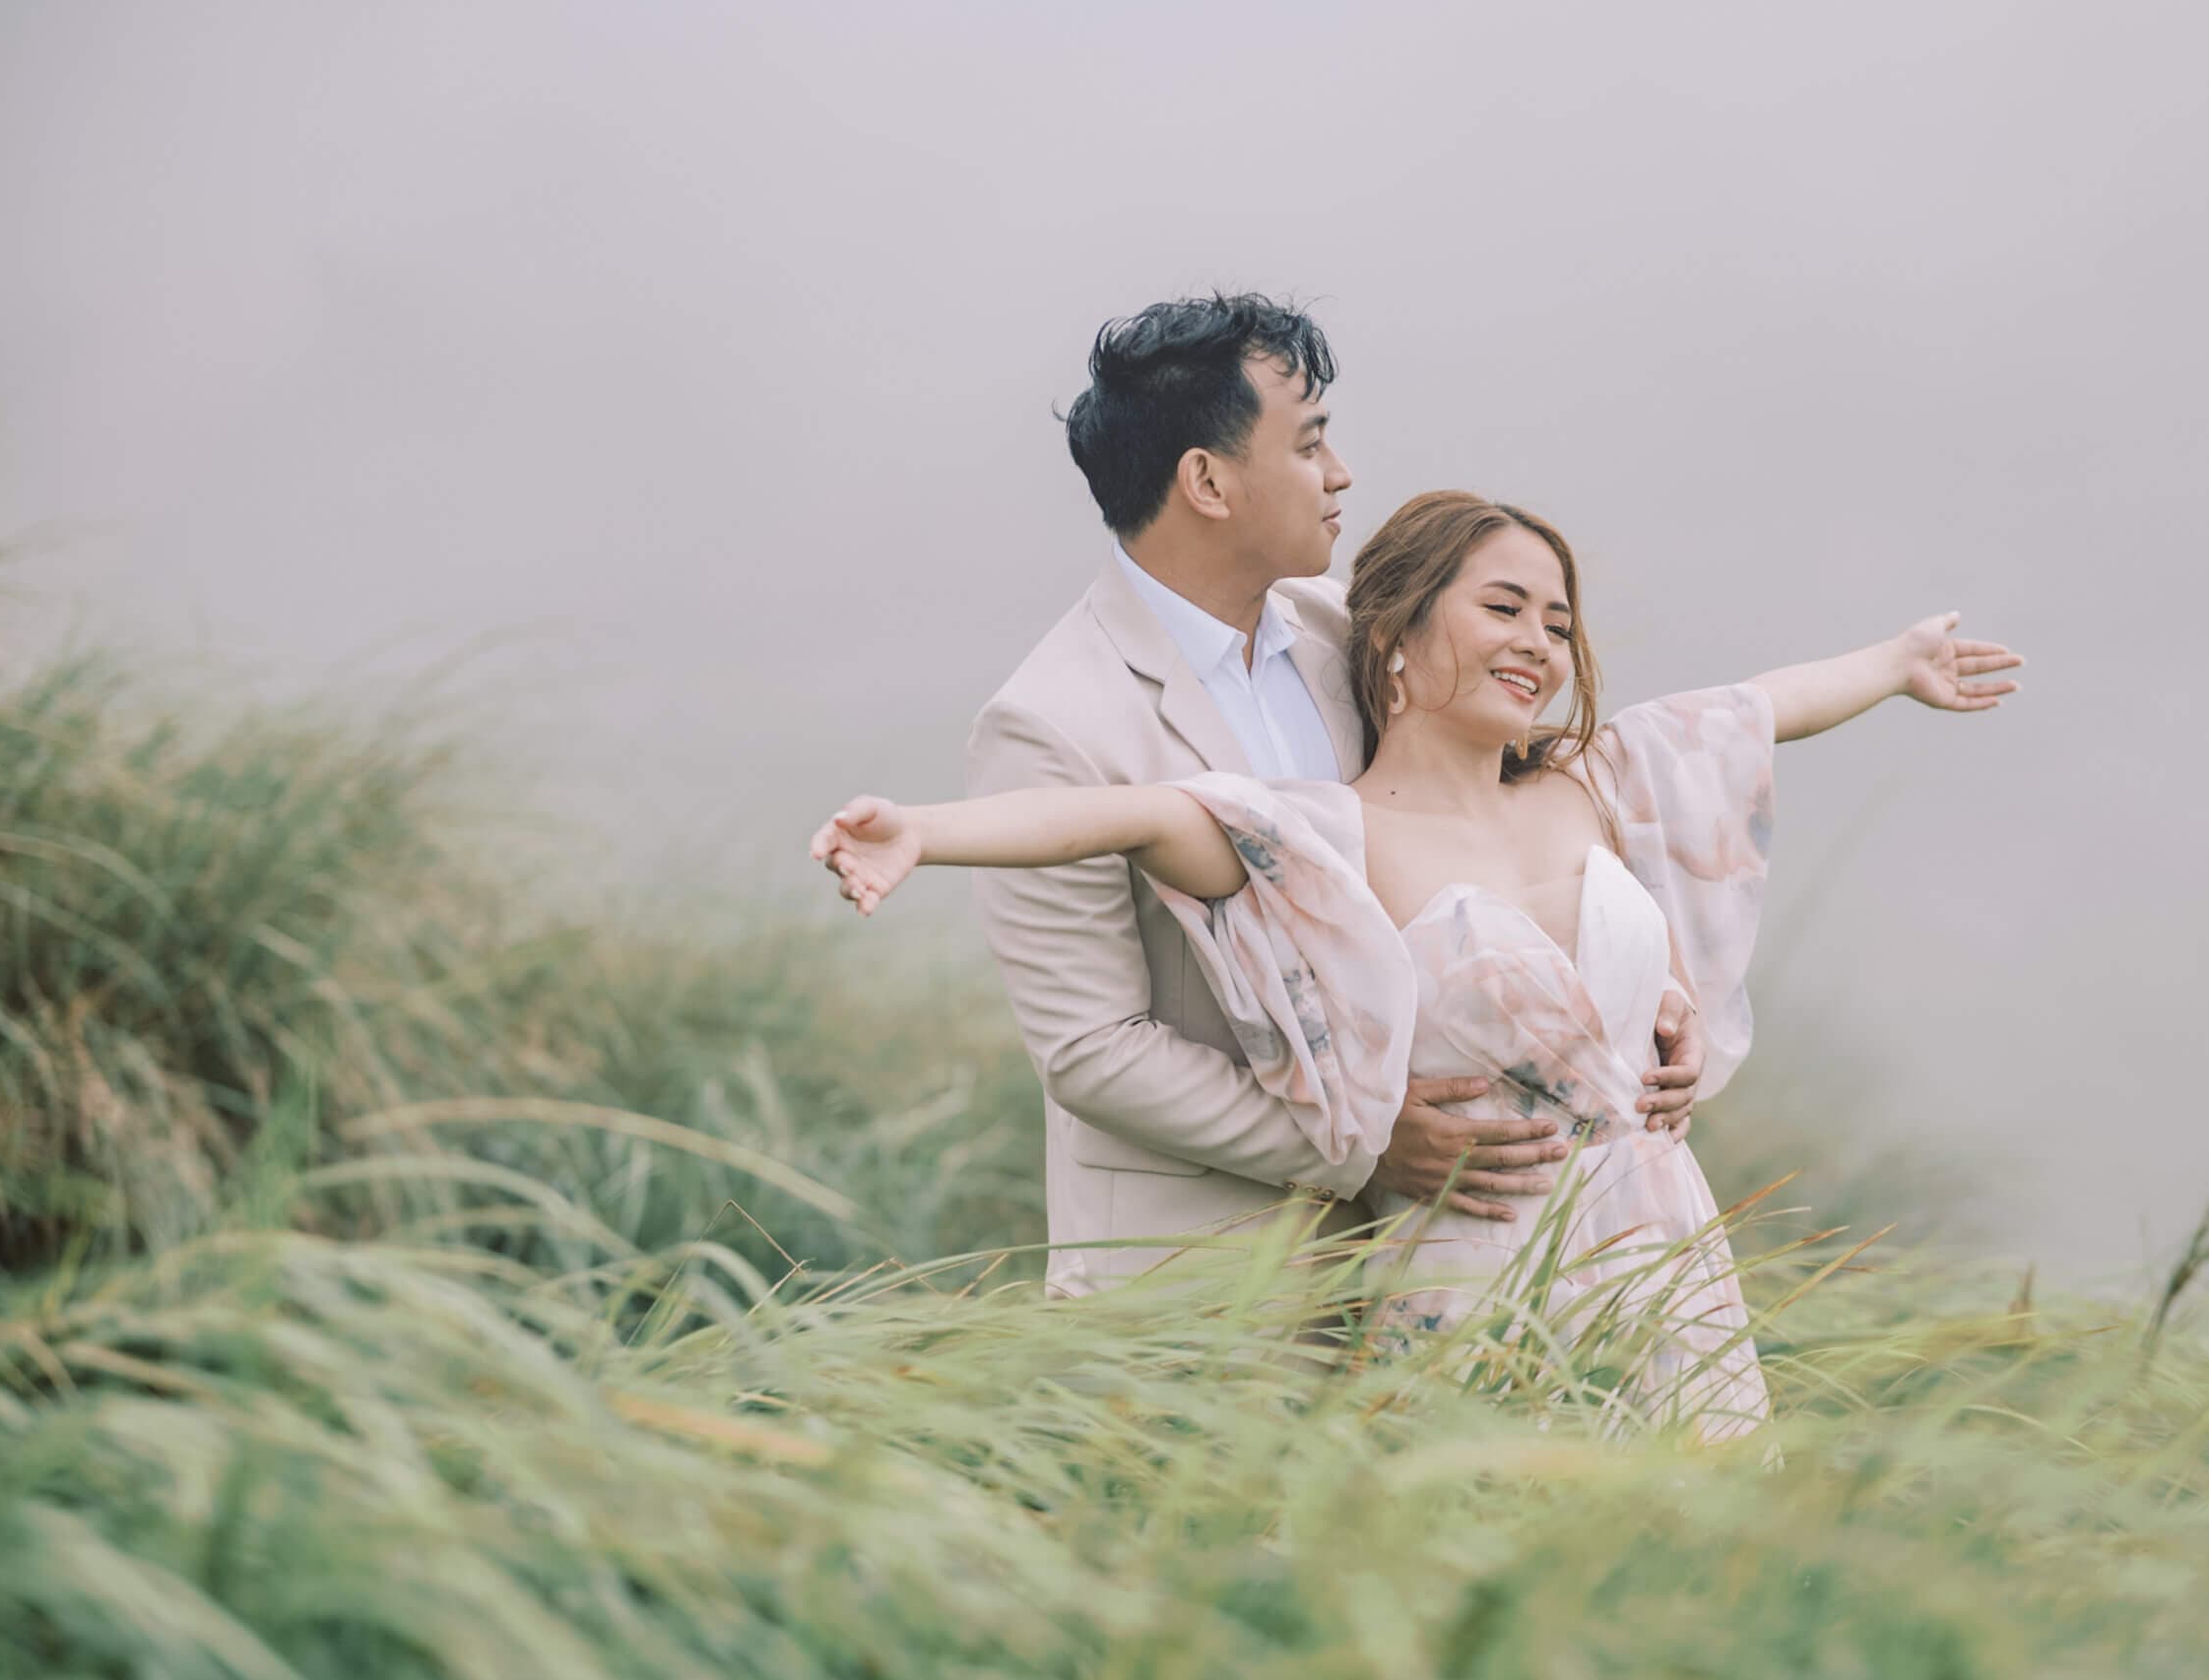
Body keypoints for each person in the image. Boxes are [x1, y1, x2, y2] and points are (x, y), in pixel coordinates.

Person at [813, 489, 2023, 1439]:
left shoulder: (1585, 782)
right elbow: (1123, 814)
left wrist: (1894, 663)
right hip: (1464, 1267)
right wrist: (925, 829)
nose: (1539, 642)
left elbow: (1756, 707)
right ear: (1393, 632)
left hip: (1660, 1249)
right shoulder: (1325, 834)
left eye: (1557, 621)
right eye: (1503, 608)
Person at [956, 294, 1714, 1304]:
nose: (1341, 472)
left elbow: (1482, 827)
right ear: (1207, 481)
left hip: (1441, 1256)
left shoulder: (1355, 632)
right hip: (1203, 1280)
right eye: (1310, 443)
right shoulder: (1051, 720)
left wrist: (1642, 992)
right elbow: (1091, 1048)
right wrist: (1355, 1138)